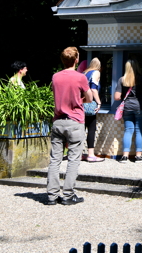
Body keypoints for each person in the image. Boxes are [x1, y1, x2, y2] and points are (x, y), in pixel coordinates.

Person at [47, 47, 92, 205]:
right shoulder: (81, 77)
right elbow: (90, 97)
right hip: (75, 121)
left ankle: (52, 196)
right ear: (76, 60)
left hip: (58, 121)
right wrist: (81, 100)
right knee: (73, 159)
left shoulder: (55, 77)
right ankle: (68, 195)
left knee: (55, 159)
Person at [114, 59, 142, 163]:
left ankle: (125, 156)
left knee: (128, 130)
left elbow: (117, 97)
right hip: (140, 108)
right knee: (139, 131)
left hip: (127, 108)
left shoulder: (122, 80)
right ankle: (138, 156)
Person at [81, 58, 103, 162]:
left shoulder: (84, 73)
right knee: (91, 129)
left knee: (81, 129)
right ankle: (90, 154)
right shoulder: (96, 72)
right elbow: (93, 89)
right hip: (90, 104)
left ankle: (79, 154)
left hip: (81, 103)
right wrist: (99, 102)